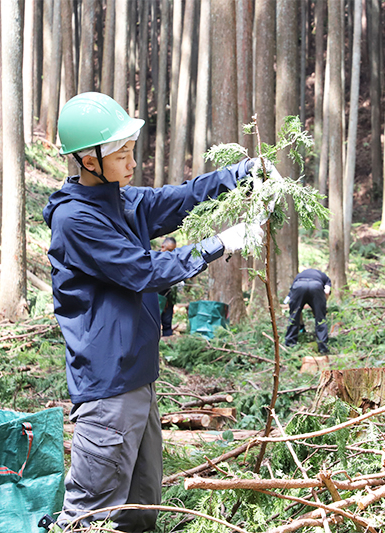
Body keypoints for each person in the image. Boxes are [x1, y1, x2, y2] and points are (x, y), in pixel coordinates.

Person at [43, 92, 262, 532]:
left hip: (139, 380)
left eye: (130, 150)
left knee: (141, 510)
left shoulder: (121, 202)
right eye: (119, 153)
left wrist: (239, 175)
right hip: (107, 389)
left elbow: (177, 198)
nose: (130, 161)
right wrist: (217, 244)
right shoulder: (76, 221)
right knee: (91, 514)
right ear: (88, 159)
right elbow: (143, 270)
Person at [284, 269, 332, 354]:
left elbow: (297, 310)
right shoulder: (325, 278)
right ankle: (323, 348)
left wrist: (301, 324)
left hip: (299, 285)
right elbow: (327, 292)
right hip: (316, 286)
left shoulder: (299, 275)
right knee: (320, 318)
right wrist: (321, 307)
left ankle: (290, 346)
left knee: (294, 315)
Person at [159, 237, 179, 337]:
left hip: (169, 296)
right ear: (163, 247)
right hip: (156, 296)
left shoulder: (174, 260)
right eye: (170, 250)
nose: (172, 253)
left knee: (167, 322)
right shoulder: (154, 258)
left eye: (173, 250)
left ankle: (168, 343)